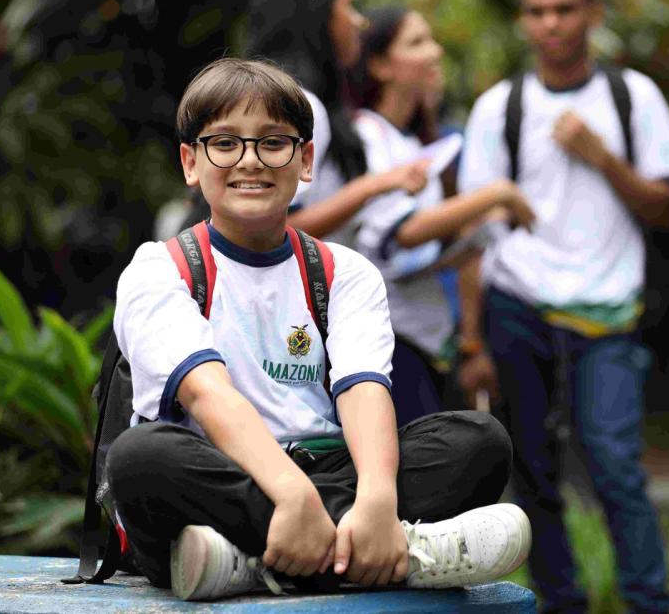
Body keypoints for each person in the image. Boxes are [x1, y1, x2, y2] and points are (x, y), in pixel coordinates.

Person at [106, 57, 531, 602]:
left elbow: (363, 389)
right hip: (218, 471)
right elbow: (209, 395)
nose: (250, 160)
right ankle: (401, 553)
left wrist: (376, 498)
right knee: (141, 458)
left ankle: (249, 563)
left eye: (273, 143)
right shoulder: (160, 269)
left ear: (305, 160)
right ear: (191, 162)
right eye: (225, 143)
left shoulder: (342, 272)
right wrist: (291, 496)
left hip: (320, 468)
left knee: (479, 441)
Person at [458, 0, 669, 613]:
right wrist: (472, 338)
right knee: (531, 467)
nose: (551, 24)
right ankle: (562, 602)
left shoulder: (633, 97)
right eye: (537, 12)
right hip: (518, 301)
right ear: (524, 21)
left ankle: (650, 602)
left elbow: (666, 209)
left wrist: (602, 158)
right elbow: (473, 228)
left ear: (593, 15)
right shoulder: (500, 107)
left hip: (609, 308)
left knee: (615, 462)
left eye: (564, 9)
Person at [351, 6, 536, 425]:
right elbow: (403, 234)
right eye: (417, 42)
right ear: (379, 65)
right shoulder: (366, 135)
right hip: (389, 340)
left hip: (429, 339)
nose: (435, 52)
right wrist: (497, 194)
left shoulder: (414, 142)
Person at [246, 0, 428, 246]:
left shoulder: (276, 99)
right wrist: (372, 187)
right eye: (347, 6)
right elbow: (272, 230)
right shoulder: (298, 105)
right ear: (316, 18)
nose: (359, 20)